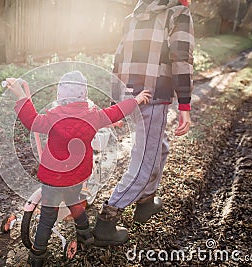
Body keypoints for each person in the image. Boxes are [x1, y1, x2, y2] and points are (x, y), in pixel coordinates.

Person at [5, 71, 151, 266]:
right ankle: (85, 235)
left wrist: (22, 97)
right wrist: (137, 100)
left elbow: (31, 120)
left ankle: (38, 254)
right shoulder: (94, 116)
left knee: (47, 216)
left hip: (53, 179)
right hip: (76, 177)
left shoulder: (51, 118)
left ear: (59, 96)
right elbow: (117, 111)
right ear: (85, 95)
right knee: (75, 202)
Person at [92, 0, 194, 246]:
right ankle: (107, 220)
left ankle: (146, 201)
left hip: (132, 95)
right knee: (144, 163)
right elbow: (182, 58)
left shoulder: (133, 17)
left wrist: (119, 103)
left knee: (159, 146)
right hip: (154, 95)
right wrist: (185, 105)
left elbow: (117, 62)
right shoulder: (178, 13)